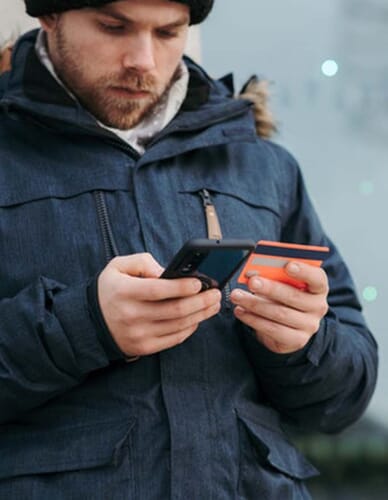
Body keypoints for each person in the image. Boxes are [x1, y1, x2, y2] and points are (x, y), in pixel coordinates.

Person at [0, 1, 378, 498]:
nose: (144, 59)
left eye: (168, 32)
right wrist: (84, 327)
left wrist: (302, 344)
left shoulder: (262, 165)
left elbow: (343, 401)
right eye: (115, 27)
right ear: (49, 16)